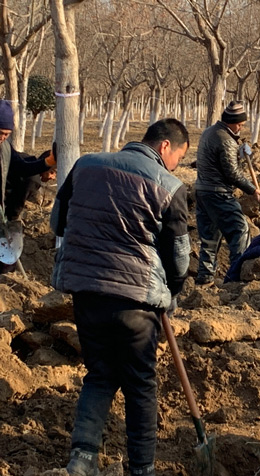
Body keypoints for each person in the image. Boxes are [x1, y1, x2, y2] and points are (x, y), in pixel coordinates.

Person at [50, 119, 191, 476]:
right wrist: (170, 292)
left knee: (99, 373)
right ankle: (141, 469)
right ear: (164, 147)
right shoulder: (170, 186)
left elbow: (57, 223)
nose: (176, 164)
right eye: (179, 156)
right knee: (141, 383)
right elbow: (178, 256)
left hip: (85, 291)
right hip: (135, 301)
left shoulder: (85, 165)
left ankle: (82, 460)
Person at [195, 100, 260, 285]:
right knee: (239, 229)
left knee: (210, 237)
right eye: (240, 124)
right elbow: (232, 173)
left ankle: (204, 277)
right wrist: (252, 189)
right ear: (231, 122)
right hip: (219, 193)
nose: (241, 128)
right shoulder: (225, 140)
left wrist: (237, 153)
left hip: (202, 191)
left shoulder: (209, 132)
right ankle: (237, 277)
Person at [0, 99, 56, 270]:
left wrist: (49, 161)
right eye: (0, 132)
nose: (2, 138)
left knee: (5, 264)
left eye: (6, 134)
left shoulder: (5, 148)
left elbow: (23, 168)